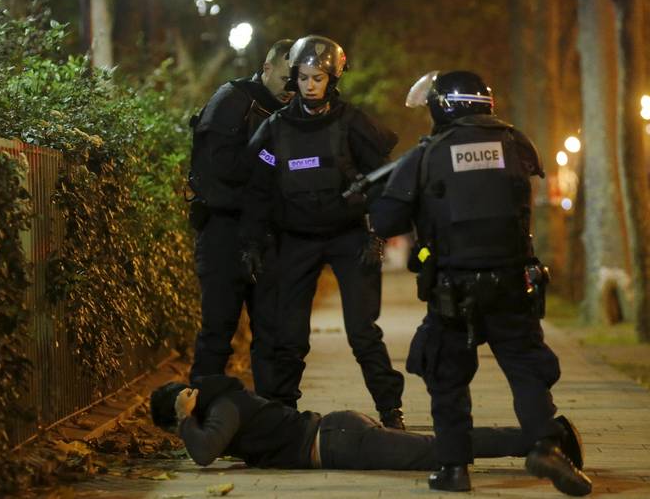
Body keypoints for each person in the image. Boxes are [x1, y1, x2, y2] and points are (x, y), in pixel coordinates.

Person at [368, 70, 592, 495]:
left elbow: (386, 221)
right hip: (513, 282)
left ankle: (454, 469)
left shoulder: (427, 154)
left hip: (453, 289)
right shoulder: (516, 143)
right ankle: (545, 445)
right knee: (527, 368)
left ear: (439, 107)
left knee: (447, 376)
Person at [240, 35, 405, 429]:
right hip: (296, 239)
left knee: (363, 332)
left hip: (348, 237)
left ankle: (390, 410)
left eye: (318, 77)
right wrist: (252, 240)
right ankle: (281, 412)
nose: (310, 84)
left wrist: (376, 234)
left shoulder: (353, 123)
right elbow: (258, 186)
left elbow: (385, 181)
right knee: (289, 335)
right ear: (294, 77)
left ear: (333, 79)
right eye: (304, 77)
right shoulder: (275, 130)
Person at [149, 376, 584, 475]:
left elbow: (204, 452)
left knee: (441, 449)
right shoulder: (225, 406)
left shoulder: (224, 407)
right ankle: (541, 435)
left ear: (185, 407)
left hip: (340, 442)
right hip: (339, 437)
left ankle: (547, 435)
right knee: (439, 447)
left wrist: (186, 421)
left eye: (174, 425)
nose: (179, 434)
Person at [186, 39, 294, 397]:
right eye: (284, 79)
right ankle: (200, 417)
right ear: (265, 69)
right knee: (217, 331)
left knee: (273, 336)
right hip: (225, 230)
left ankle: (277, 422)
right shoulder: (233, 100)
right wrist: (266, 170)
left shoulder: (294, 111)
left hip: (269, 235)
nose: (290, 89)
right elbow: (219, 168)